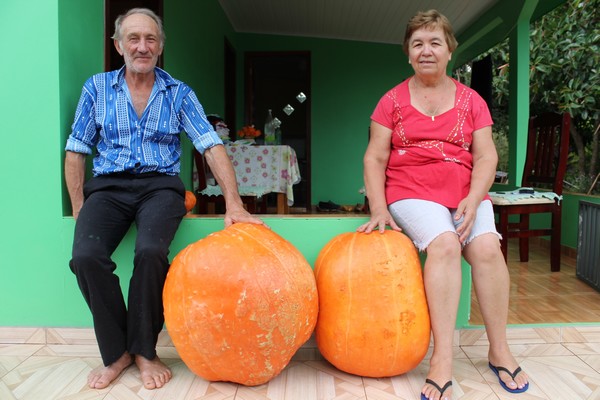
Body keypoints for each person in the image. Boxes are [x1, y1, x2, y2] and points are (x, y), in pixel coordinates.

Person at [64, 8, 264, 391]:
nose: (143, 46)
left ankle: (144, 350)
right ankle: (117, 352)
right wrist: (78, 207)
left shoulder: (179, 92)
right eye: (134, 38)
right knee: (86, 257)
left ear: (160, 46)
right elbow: (76, 150)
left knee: (151, 251)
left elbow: (211, 145)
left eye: (151, 39)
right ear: (118, 44)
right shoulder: (97, 88)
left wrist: (233, 203)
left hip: (160, 186)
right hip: (108, 186)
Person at [357, 10, 529, 400]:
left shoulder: (472, 101)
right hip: (411, 189)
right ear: (408, 54)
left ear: (450, 49)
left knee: (487, 248)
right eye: (417, 44)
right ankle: (443, 359)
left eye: (435, 42)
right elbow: (375, 158)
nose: (426, 50)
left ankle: (499, 350)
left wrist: (473, 197)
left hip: (465, 191)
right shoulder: (391, 101)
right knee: (447, 244)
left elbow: (486, 157)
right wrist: (379, 208)